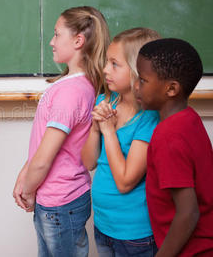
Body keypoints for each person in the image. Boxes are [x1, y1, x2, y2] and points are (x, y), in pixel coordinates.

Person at [12, 6, 110, 257]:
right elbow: (46, 145)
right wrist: (25, 175)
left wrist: (30, 188)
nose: (51, 41)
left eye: (57, 34)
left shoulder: (69, 93)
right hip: (60, 200)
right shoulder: (78, 85)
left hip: (59, 203)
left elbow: (44, 160)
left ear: (78, 41)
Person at [135, 38, 213, 257]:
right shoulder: (189, 118)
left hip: (200, 249)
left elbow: (188, 212)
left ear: (171, 89)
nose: (136, 86)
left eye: (142, 80)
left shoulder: (168, 136)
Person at [81, 28, 160, 256]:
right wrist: (96, 129)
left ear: (138, 70)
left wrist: (108, 131)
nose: (105, 69)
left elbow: (125, 182)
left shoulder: (148, 118)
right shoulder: (105, 100)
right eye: (107, 61)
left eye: (115, 64)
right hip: (104, 226)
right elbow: (88, 162)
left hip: (135, 234)